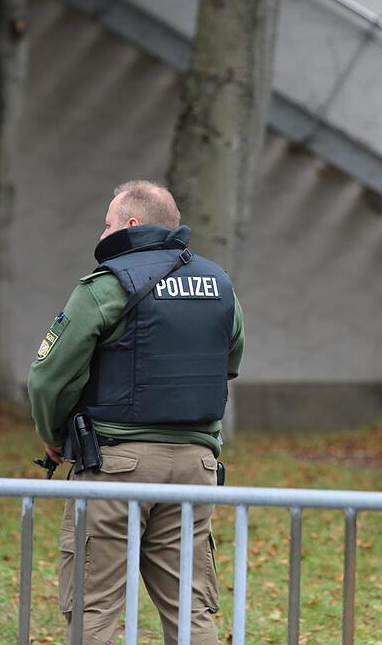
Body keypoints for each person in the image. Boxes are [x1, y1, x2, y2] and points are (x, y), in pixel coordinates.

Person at [29, 180, 244, 645]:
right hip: (195, 468)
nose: (102, 233)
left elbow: (49, 377)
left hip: (116, 465)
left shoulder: (105, 286)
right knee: (192, 609)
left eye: (107, 223)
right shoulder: (220, 283)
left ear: (130, 224)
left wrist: (52, 434)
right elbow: (229, 360)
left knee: (95, 607)